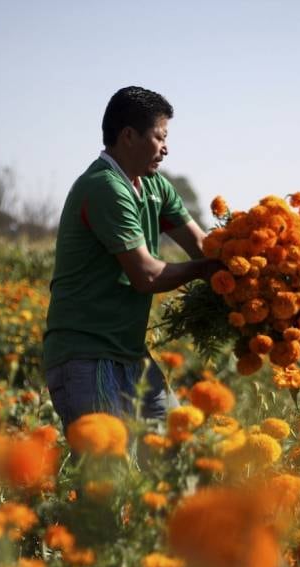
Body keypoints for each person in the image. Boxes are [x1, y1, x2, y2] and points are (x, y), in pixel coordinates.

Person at [43, 86, 219, 432]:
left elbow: (203, 245)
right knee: (107, 475)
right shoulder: (104, 186)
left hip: (129, 352)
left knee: (176, 452)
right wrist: (207, 270)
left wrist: (255, 265)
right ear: (128, 136)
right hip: (86, 354)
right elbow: (147, 276)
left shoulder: (155, 187)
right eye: (159, 137)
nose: (166, 148)